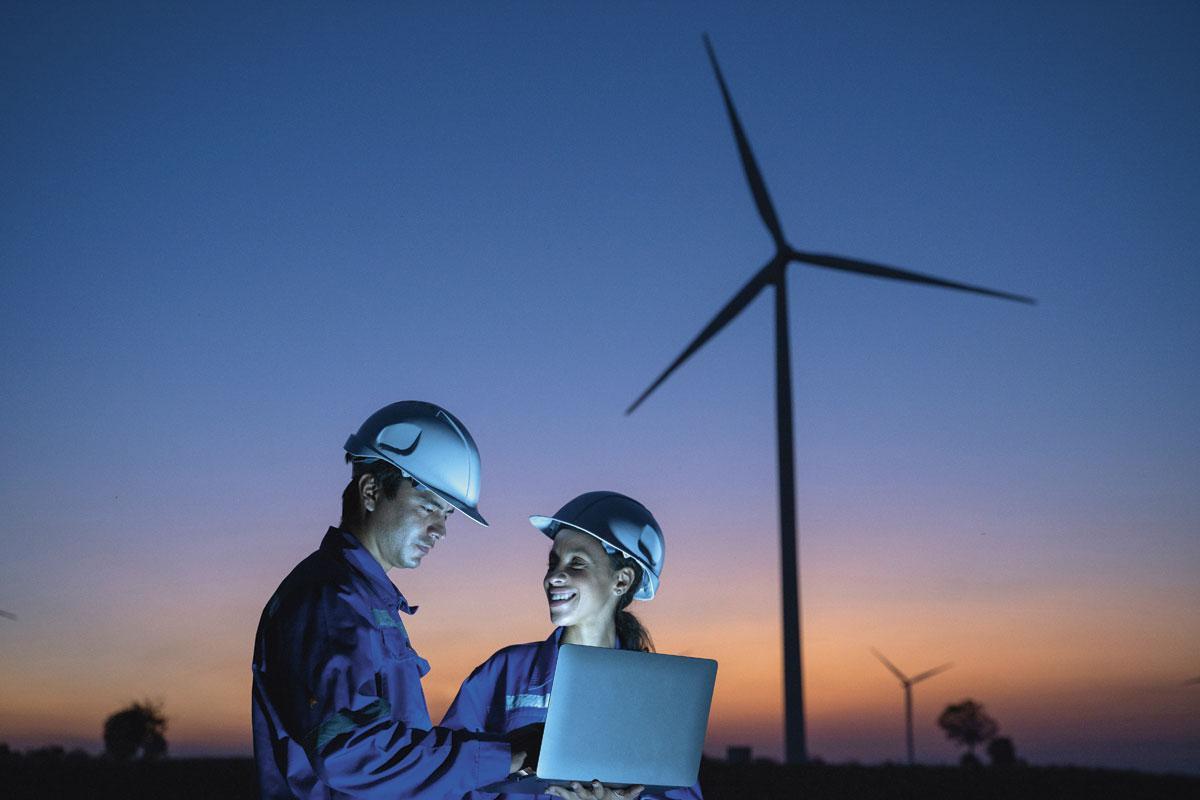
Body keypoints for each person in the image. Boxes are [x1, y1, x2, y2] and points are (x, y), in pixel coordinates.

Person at [252, 401, 539, 799]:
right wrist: (505, 756)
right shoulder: (332, 601)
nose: (440, 529)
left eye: (448, 515)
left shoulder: (364, 601)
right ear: (371, 491)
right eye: (428, 507)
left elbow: (396, 759)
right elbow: (352, 754)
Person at [441, 491, 703, 800]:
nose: (554, 576)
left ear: (621, 580)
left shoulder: (652, 696)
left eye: (577, 563)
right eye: (553, 562)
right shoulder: (506, 672)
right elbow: (445, 774)